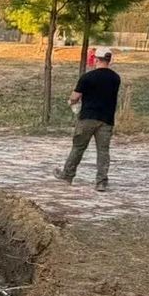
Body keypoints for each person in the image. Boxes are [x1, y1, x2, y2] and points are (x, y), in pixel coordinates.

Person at [59, 46, 120, 190]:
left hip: (87, 117)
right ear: (109, 60)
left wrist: (71, 102)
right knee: (103, 151)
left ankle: (68, 175)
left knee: (78, 148)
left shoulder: (87, 77)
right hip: (106, 119)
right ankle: (101, 182)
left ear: (96, 59)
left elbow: (75, 96)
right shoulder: (116, 78)